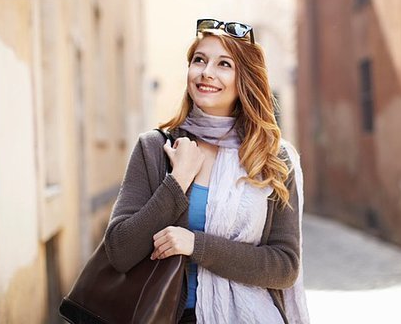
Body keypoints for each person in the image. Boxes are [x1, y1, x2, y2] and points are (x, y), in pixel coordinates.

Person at [104, 19, 309, 324]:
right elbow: (119, 250)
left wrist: (195, 244)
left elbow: (284, 266)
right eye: (199, 60)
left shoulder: (273, 159)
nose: (206, 72)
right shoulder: (155, 148)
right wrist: (177, 181)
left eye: (224, 64)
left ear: (245, 80)